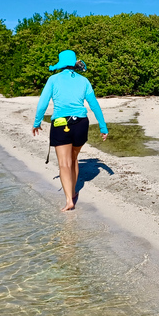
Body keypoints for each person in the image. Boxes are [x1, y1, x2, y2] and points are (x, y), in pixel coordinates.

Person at [32, 50, 108, 211]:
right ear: (74, 63)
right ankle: (73, 191)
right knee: (73, 159)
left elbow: (43, 103)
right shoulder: (84, 81)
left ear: (60, 63)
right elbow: (94, 105)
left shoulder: (53, 79)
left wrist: (37, 122)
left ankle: (69, 199)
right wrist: (103, 126)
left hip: (60, 124)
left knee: (64, 164)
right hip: (81, 123)